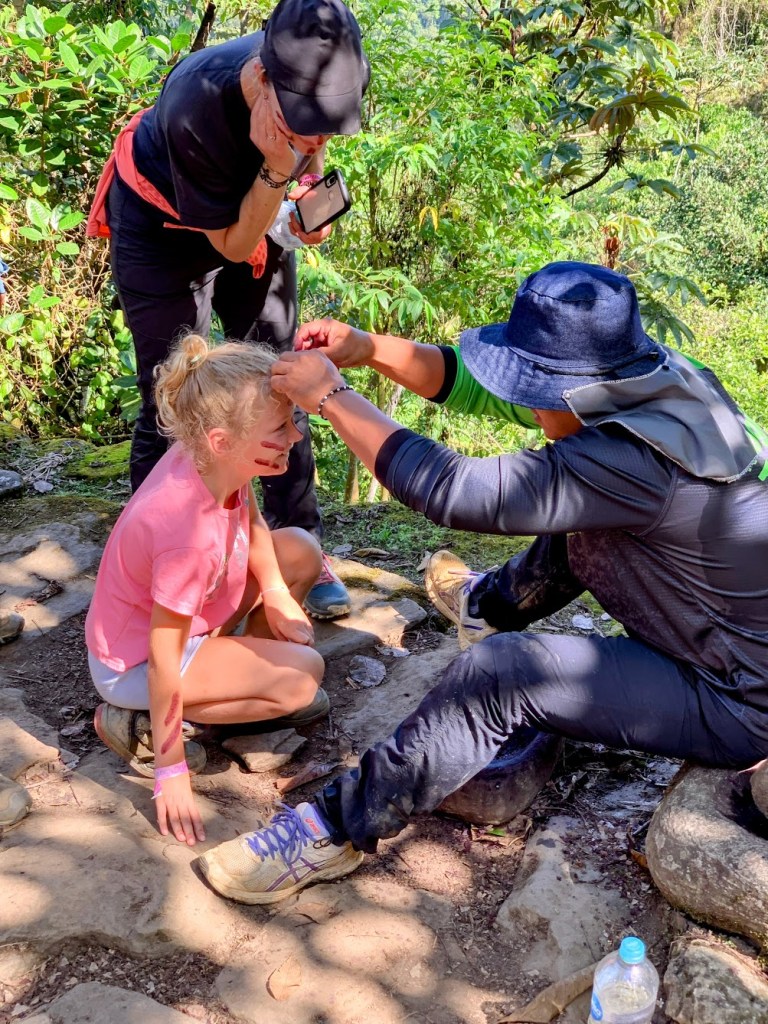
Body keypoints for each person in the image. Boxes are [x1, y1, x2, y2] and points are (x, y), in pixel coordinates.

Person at [197, 261, 768, 903]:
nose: (527, 407)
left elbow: (455, 491)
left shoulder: (628, 460)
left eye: (535, 390)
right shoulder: (658, 384)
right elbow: (473, 386)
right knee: (579, 523)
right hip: (718, 638)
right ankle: (485, 605)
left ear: (570, 390)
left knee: (503, 673)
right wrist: (368, 348)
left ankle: (329, 831)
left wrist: (331, 397)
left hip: (738, 696)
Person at [86, 0, 371, 620]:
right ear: (263, 80)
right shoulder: (198, 102)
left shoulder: (316, 71)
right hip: (162, 231)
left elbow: (307, 157)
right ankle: (159, 564)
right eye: (304, 125)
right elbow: (235, 245)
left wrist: (302, 191)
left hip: (256, 209)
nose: (317, 140)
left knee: (284, 377)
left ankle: (300, 543)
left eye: (327, 126)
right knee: (172, 392)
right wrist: (277, 168)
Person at [86, 334, 327, 848]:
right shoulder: (184, 535)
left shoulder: (215, 457)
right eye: (280, 428)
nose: (295, 435)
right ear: (221, 440)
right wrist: (171, 769)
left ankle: (239, 668)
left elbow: (251, 513)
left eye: (291, 421)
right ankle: (143, 723)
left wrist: (277, 592)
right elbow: (162, 657)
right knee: (301, 681)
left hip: (193, 613)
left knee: (301, 550)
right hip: (135, 664)